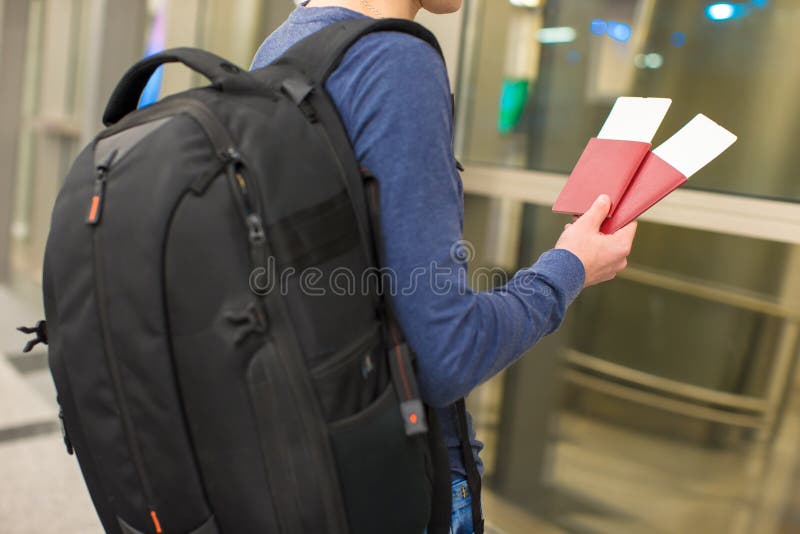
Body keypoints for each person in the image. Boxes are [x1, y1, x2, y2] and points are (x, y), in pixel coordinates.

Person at [251, 1, 637, 532]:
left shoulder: (283, 47)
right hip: (402, 487)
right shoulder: (394, 60)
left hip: (312, 469)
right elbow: (446, 356)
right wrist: (570, 268)